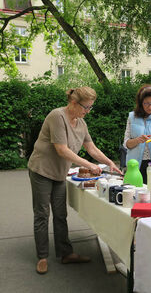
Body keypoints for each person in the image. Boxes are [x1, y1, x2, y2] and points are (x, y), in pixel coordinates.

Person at [28, 87, 121, 275]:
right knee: (42, 214)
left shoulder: (81, 124)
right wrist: (89, 165)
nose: (87, 112)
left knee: (60, 214)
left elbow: (92, 148)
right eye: (85, 107)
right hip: (42, 171)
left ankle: (65, 253)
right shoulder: (57, 116)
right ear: (73, 102)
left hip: (60, 173)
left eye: (90, 108)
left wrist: (109, 162)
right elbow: (61, 150)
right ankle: (43, 257)